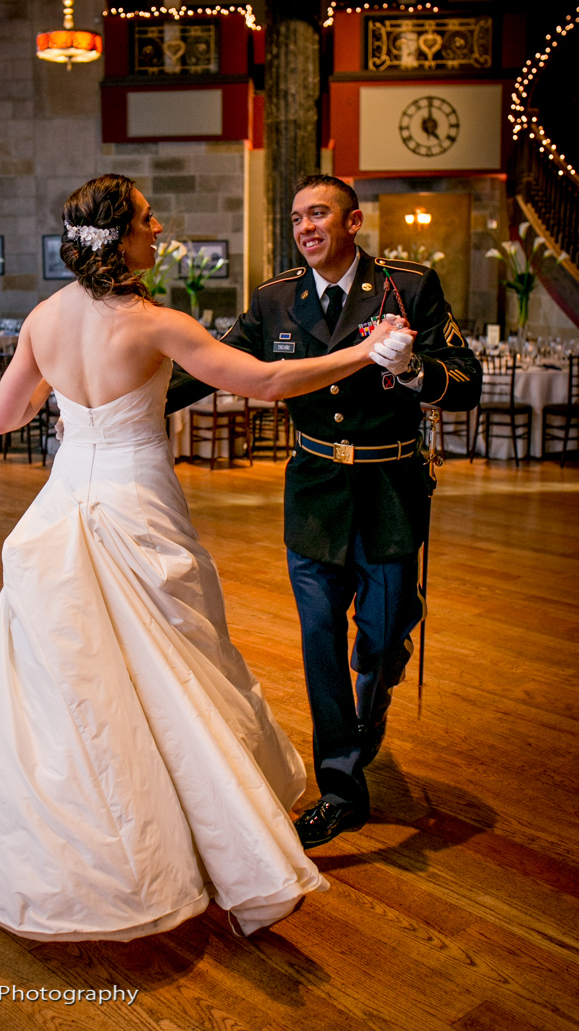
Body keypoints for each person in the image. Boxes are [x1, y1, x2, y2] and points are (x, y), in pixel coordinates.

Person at [0, 173, 402, 943]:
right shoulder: (157, 324)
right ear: (121, 240)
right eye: (146, 218)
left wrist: (65, 409)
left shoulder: (42, 317)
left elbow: (6, 416)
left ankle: (80, 831)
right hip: (135, 499)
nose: (157, 227)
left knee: (73, 676)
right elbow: (265, 382)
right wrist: (364, 355)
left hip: (69, 495)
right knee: (172, 658)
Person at [167, 174, 482, 849]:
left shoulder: (409, 285)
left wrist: (413, 369)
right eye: (297, 218)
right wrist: (127, 402)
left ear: (353, 222)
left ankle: (379, 687)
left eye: (319, 214)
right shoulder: (276, 298)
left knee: (386, 630)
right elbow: (211, 364)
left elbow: (466, 381)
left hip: (391, 488)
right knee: (319, 644)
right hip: (313, 492)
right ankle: (341, 786)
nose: (306, 227)